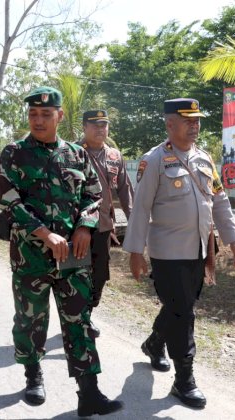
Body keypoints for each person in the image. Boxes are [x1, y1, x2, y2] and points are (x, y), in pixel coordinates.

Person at [0, 86, 123, 417]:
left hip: (73, 258)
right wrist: (45, 234)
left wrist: (84, 226)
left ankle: (89, 392)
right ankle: (33, 374)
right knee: (30, 320)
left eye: (46, 114)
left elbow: (93, 194)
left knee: (78, 321)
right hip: (31, 257)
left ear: (60, 116)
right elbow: (9, 199)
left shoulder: (76, 155)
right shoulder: (14, 153)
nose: (38, 120)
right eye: (33, 114)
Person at [123, 98, 235, 409]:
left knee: (181, 306)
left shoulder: (205, 159)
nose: (195, 126)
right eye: (187, 120)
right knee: (183, 313)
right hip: (167, 253)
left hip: (199, 251)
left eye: (197, 120)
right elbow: (141, 210)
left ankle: (154, 343)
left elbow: (219, 202)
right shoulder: (154, 161)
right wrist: (136, 251)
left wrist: (233, 239)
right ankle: (184, 379)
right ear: (169, 124)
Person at [77, 109, 133, 337]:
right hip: (77, 227)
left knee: (99, 275)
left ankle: (87, 312)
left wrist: (135, 222)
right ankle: (79, 320)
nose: (100, 129)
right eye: (94, 124)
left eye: (104, 125)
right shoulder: (72, 153)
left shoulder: (114, 156)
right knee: (77, 273)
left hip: (103, 227)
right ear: (84, 127)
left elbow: (125, 190)